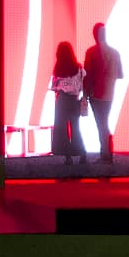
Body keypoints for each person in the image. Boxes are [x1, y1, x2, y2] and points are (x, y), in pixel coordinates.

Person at [82, 21, 124, 173]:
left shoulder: (91, 52)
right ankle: (107, 154)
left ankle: (106, 155)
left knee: (101, 124)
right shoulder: (115, 52)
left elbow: (87, 76)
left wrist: (85, 94)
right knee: (104, 123)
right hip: (109, 93)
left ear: (94, 35)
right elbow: (120, 74)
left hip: (96, 93)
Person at [48, 40, 85, 169]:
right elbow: (82, 85)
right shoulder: (78, 68)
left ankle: (68, 157)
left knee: (62, 130)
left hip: (62, 101)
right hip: (74, 101)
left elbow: (54, 87)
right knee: (76, 128)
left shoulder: (58, 68)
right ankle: (82, 155)